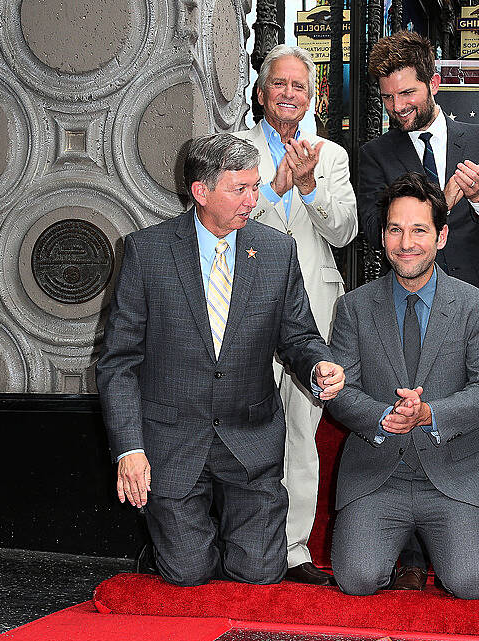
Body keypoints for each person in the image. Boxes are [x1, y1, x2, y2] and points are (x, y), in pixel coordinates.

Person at [96, 133, 345, 587]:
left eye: (256, 186)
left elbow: (299, 336)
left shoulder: (275, 251)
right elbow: (118, 363)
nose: (254, 199)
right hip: (172, 441)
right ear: (201, 192)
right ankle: (175, 542)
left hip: (249, 439)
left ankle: (215, 540)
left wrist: (316, 366)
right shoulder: (146, 252)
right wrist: (130, 449)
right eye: (241, 189)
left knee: (259, 574)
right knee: (188, 573)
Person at [326, 173, 479, 600]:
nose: (406, 242)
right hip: (376, 474)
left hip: (452, 473)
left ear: (441, 236)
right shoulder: (352, 307)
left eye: (419, 230)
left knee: (469, 584)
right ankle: (402, 552)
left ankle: (424, 554)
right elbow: (341, 391)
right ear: (383, 235)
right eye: (395, 229)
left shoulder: (477, 305)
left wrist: (431, 415)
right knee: (356, 580)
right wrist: (383, 417)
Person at [234, 44, 358, 587]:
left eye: (300, 87)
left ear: (313, 97)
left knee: (302, 431)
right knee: (246, 429)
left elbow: (345, 232)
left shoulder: (330, 155)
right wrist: (275, 186)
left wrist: (308, 188)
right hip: (246, 310)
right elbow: (219, 224)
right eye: (280, 85)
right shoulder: (234, 149)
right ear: (261, 93)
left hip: (312, 311)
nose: (290, 94)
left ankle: (294, 550)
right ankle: (244, 542)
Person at [359, 30, 479, 303]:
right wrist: (441, 204)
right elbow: (376, 233)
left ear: (433, 83)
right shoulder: (375, 154)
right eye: (387, 97)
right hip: (407, 302)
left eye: (407, 93)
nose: (397, 106)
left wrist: (478, 196)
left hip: (476, 299)